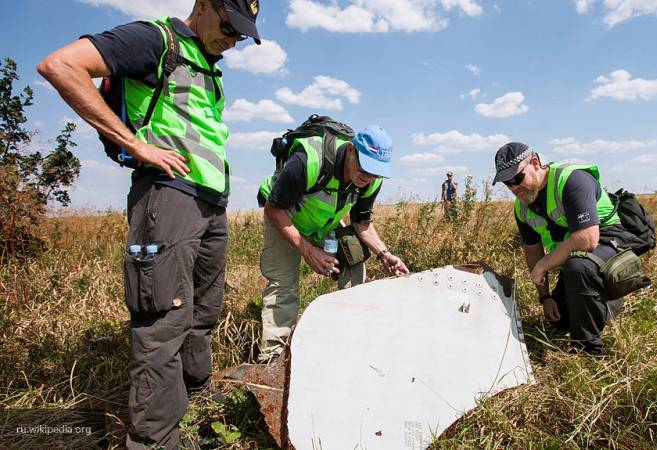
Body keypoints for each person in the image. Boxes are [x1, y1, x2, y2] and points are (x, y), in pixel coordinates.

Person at [38, 1, 261, 447]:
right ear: (204, 5)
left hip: (209, 202)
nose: (234, 40)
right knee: (163, 319)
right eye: (229, 26)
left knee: (202, 313)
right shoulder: (157, 40)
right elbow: (60, 65)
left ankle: (197, 400)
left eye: (242, 34)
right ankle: (155, 440)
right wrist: (134, 144)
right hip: (168, 195)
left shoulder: (208, 65)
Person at [256, 125, 410, 363]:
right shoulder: (309, 161)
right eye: (364, 168)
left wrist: (384, 253)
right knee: (284, 284)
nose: (367, 177)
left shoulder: (371, 181)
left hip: (322, 224)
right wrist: (308, 251)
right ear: (350, 149)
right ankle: (271, 359)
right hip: (285, 216)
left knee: (355, 260)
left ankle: (348, 336)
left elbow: (361, 222)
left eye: (375, 173)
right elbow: (273, 208)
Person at [493, 142, 634, 355]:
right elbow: (533, 251)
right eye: (507, 183)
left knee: (579, 267)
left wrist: (542, 266)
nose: (514, 187)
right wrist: (545, 297)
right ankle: (603, 303)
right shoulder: (522, 207)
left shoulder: (571, 180)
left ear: (535, 163)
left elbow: (587, 239)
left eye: (518, 178)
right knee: (561, 321)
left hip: (609, 242)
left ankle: (588, 350)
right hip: (574, 257)